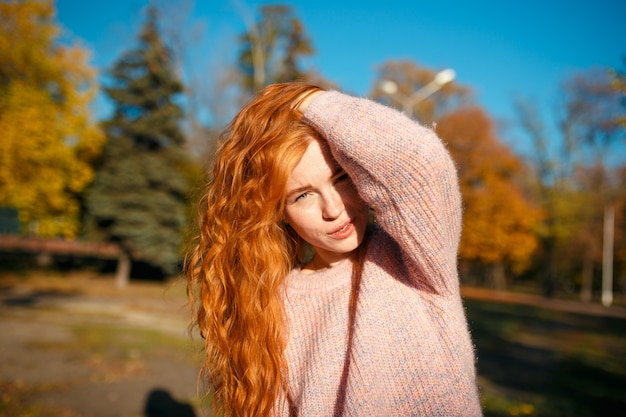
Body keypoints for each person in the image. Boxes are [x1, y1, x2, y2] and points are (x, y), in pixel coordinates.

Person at [185, 82, 483, 417]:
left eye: (341, 179)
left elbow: (419, 160)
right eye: (303, 195)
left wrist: (297, 98)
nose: (333, 208)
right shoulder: (273, 306)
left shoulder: (416, 259)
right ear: (278, 213)